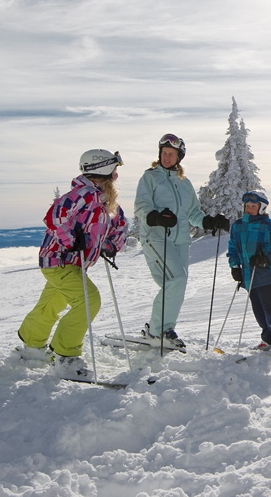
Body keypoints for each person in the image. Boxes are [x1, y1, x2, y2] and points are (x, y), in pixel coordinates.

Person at [17, 149, 127, 381]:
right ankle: (65, 356)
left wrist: (111, 245)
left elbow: (120, 224)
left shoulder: (105, 199)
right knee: (88, 301)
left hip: (74, 264)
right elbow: (54, 216)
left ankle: (32, 345)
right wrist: (70, 240)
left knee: (52, 304)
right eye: (114, 169)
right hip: (58, 259)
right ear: (104, 169)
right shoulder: (82, 194)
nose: (116, 174)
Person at [135, 133, 229, 349]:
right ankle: (156, 331)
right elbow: (141, 205)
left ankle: (164, 329)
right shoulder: (149, 178)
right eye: (164, 153)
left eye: (171, 154)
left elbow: (193, 213)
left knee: (177, 283)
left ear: (179, 157)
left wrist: (209, 221)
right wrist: (155, 217)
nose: (166, 157)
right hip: (156, 236)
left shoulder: (184, 183)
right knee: (176, 278)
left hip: (180, 240)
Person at [227, 190, 271, 351]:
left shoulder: (267, 225)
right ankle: (268, 340)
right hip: (249, 277)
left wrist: (265, 258)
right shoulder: (238, 226)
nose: (249, 209)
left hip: (266, 276)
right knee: (259, 312)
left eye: (253, 206)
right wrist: (235, 267)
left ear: (261, 207)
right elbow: (232, 249)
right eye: (247, 206)